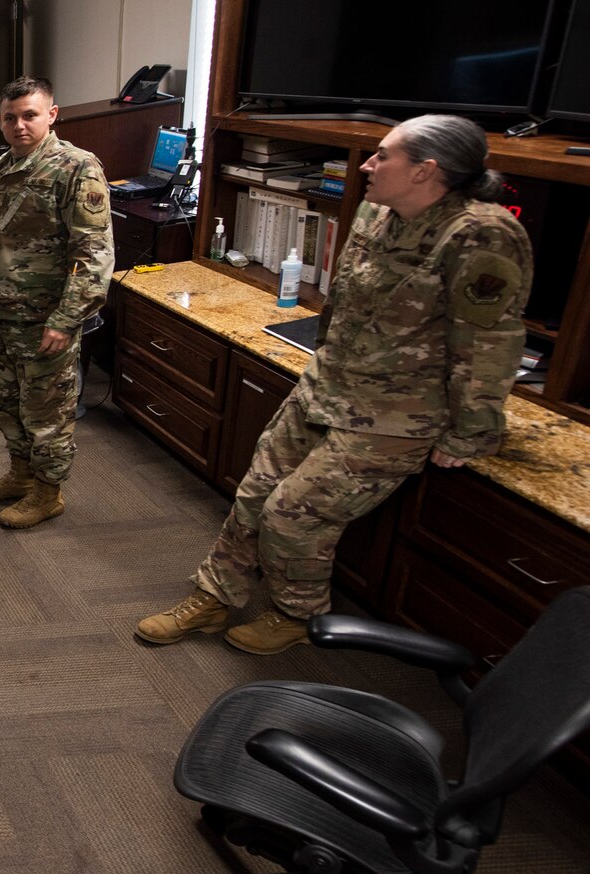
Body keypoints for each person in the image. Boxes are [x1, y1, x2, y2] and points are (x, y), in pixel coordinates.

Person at [137, 113, 532, 655]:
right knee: (254, 493)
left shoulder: (483, 236)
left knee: (293, 515)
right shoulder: (376, 209)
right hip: (327, 385)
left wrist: (469, 433)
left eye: (383, 155)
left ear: (425, 171)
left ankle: (295, 614)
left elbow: (490, 345)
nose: (368, 164)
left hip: (395, 416)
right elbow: (345, 300)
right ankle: (215, 595)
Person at [0, 75, 114, 528]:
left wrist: (65, 321)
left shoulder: (77, 169)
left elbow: (94, 255)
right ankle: (21, 475)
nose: (20, 125)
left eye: (30, 115)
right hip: (1, 311)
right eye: (10, 117)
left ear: (51, 115)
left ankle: (48, 493)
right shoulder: (4, 167)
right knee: (6, 402)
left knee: (47, 410)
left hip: (45, 318)